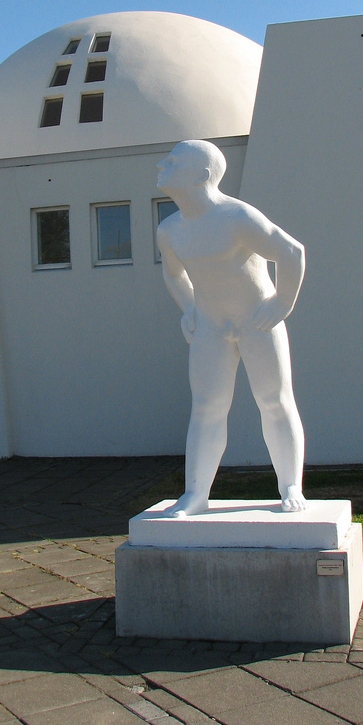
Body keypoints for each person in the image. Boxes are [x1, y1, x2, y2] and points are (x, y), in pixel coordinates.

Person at [156, 139, 307, 516]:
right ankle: (195, 495)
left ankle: (290, 486)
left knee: (274, 401)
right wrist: (189, 307)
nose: (161, 165)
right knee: (207, 407)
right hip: (210, 324)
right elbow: (173, 274)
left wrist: (282, 303)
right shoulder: (170, 230)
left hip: (257, 318)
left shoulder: (237, 217)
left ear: (201, 175)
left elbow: (291, 252)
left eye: (173, 161)